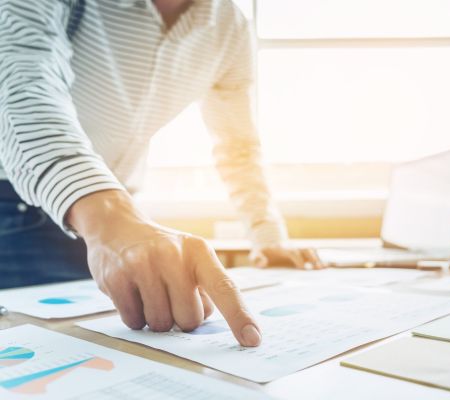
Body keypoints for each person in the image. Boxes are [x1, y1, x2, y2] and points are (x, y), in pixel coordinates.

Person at [0, 0, 322, 346]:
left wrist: (268, 237)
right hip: (20, 211)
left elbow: (238, 146)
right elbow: (22, 80)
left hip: (117, 226)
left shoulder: (231, 28)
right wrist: (107, 215)